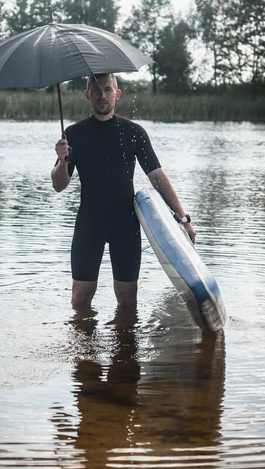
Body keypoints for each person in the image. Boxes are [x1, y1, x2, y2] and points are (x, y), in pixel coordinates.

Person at [51, 73, 196, 309]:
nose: (102, 95)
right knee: (80, 298)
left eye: (107, 90)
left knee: (127, 298)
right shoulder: (73, 135)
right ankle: (82, 346)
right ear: (87, 95)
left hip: (125, 224)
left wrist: (183, 218)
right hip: (89, 223)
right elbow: (59, 185)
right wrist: (62, 160)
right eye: (96, 90)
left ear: (117, 94)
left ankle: (126, 346)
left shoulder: (133, 132)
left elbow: (157, 176)